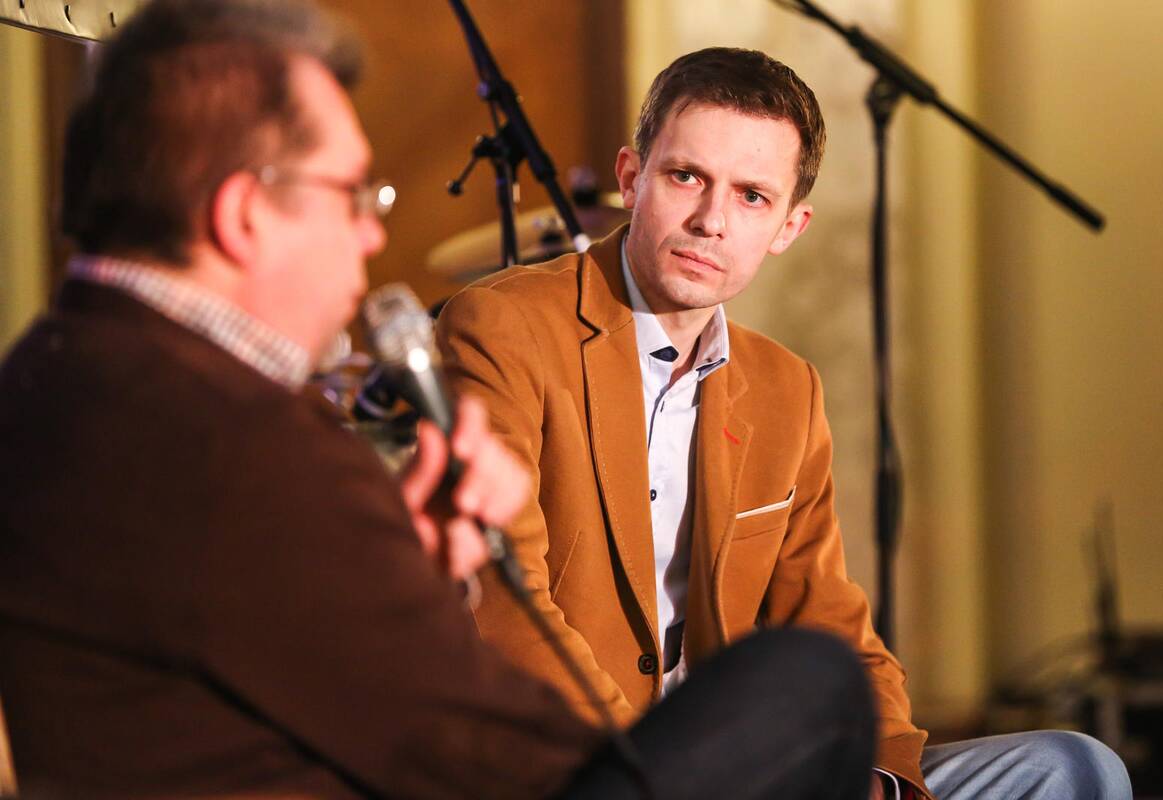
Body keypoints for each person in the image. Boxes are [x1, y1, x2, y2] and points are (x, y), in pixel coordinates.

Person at [0, 2, 878, 798]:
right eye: (351, 194)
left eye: (751, 196)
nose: (372, 231)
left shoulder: (56, 372)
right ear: (244, 214)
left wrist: (409, 557)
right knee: (807, 685)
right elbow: (470, 742)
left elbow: (285, 647)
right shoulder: (238, 440)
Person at [436, 47, 1133, 800]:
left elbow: (830, 619)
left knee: (1071, 768)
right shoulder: (503, 326)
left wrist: (882, 778)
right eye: (686, 177)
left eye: (751, 197)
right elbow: (504, 600)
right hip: (588, 769)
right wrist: (652, 772)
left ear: (789, 226)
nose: (711, 221)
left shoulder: (785, 388)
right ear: (632, 179)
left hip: (747, 773)